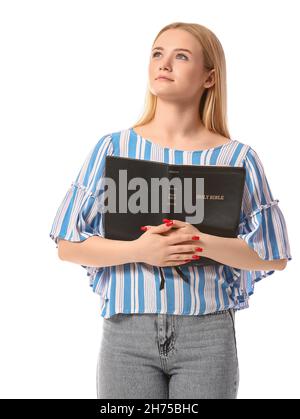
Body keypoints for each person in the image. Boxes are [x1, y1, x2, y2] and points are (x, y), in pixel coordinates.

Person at [49, 22, 292, 399]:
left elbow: (272, 256)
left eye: (181, 56)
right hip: (127, 334)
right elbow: (68, 243)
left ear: (209, 77)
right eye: (158, 54)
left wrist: (199, 241)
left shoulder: (237, 157)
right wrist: (140, 250)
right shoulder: (113, 148)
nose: (164, 64)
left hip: (207, 336)